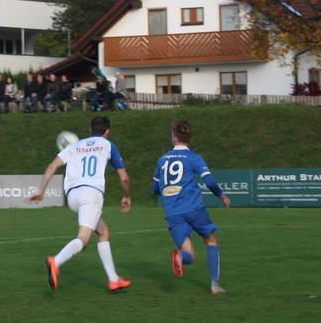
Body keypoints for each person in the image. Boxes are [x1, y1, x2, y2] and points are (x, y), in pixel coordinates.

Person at [26, 115, 132, 292]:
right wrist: (127, 196)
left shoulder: (75, 146)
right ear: (107, 131)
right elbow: (124, 178)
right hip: (90, 195)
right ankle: (55, 261)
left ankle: (114, 279)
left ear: (90, 130)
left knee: (103, 232)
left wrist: (41, 190)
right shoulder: (108, 145)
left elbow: (52, 165)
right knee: (83, 240)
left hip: (73, 197)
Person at [154, 118, 231, 295]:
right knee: (211, 241)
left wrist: (170, 197)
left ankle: (180, 256)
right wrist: (222, 196)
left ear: (174, 138)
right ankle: (214, 285)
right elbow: (209, 182)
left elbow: (155, 188)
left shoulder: (162, 160)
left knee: (189, 254)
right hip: (194, 209)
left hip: (173, 213)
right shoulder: (194, 158)